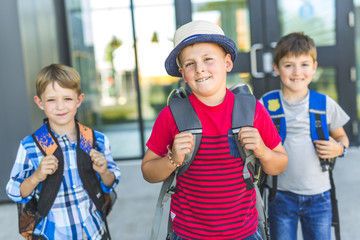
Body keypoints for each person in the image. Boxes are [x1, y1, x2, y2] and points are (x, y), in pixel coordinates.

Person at [141, 20, 288, 240]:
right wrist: (172, 159)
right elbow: (148, 171)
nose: (199, 68)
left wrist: (262, 151)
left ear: (227, 63)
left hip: (244, 233)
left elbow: (280, 163)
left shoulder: (252, 110)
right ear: (182, 73)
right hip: (189, 234)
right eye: (190, 64)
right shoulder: (172, 115)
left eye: (208, 59)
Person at [6, 64, 121, 240]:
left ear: (79, 100)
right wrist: (36, 176)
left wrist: (104, 171)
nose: (60, 107)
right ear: (40, 102)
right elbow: (13, 190)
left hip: (94, 232)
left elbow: (110, 183)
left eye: (67, 98)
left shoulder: (96, 140)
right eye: (51, 100)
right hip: (52, 234)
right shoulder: (31, 146)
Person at [260, 32, 350, 240]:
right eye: (288, 65)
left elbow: (342, 138)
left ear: (314, 67)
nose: (297, 71)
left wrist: (339, 149)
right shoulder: (265, 104)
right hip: (279, 195)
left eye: (304, 64)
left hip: (319, 197)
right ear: (276, 68)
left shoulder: (324, 104)